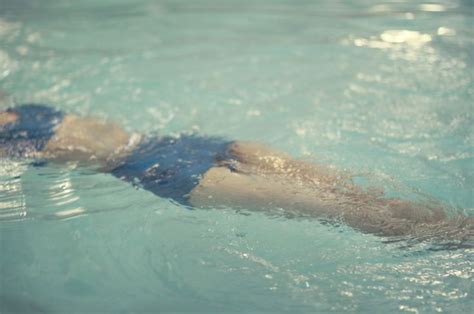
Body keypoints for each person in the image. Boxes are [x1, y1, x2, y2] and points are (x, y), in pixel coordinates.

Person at [0, 104, 472, 243]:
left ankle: (457, 223)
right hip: (157, 171)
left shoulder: (19, 110)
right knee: (335, 207)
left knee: (345, 185)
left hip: (184, 143)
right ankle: (452, 236)